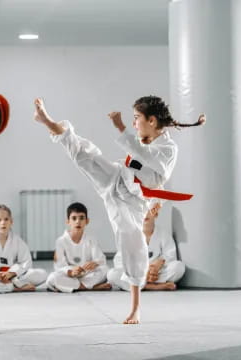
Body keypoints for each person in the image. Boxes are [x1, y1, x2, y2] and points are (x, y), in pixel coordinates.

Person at [33, 96, 203, 324]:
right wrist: (129, 135)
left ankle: (135, 308)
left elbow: (152, 164)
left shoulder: (168, 148)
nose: (134, 123)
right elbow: (137, 156)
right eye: (132, 120)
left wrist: (122, 128)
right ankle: (48, 122)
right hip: (116, 178)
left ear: (152, 121)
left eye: (136, 118)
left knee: (131, 240)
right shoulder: (145, 139)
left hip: (131, 202)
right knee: (85, 157)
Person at [107, 202, 185, 291]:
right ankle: (153, 286)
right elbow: (119, 261)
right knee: (112, 274)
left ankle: (143, 285)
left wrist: (159, 264)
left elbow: (171, 256)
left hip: (156, 274)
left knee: (179, 267)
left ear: (155, 214)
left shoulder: (163, 234)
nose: (144, 214)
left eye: (148, 210)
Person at [0, 204, 47, 293]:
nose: (3, 223)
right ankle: (15, 288)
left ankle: (11, 285)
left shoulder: (18, 241)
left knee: (42, 274)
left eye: (6, 219)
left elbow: (26, 263)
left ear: (11, 221)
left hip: (14, 277)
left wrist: (12, 273)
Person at [46, 202, 110, 292]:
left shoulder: (91, 239)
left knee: (105, 270)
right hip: (70, 276)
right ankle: (91, 287)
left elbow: (101, 260)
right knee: (52, 278)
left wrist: (94, 263)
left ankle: (76, 286)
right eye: (74, 218)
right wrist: (71, 271)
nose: (78, 222)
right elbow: (59, 266)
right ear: (68, 221)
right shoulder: (60, 241)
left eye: (81, 218)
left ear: (87, 221)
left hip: (87, 274)